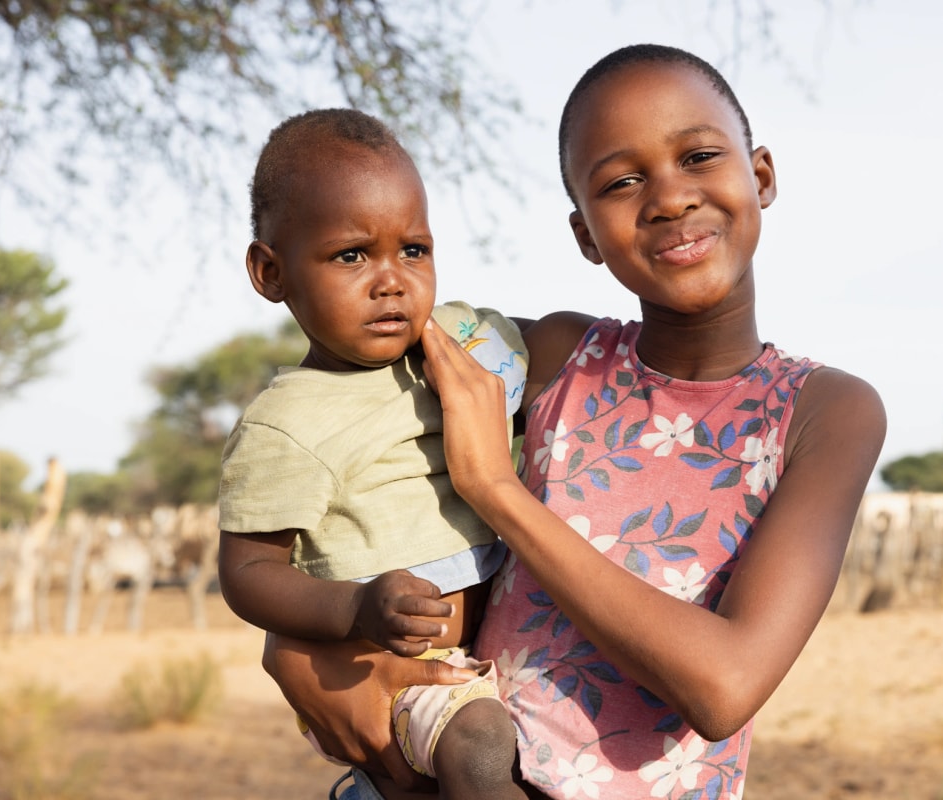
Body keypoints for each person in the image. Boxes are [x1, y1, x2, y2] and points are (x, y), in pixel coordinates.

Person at [266, 44, 887, 800]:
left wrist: (498, 490)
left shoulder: (825, 412)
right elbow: (344, 391)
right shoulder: (551, 357)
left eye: (698, 157)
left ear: (759, 177)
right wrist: (295, 640)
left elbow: (724, 688)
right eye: (622, 182)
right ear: (586, 234)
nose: (670, 198)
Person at [216, 108, 530, 800]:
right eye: (352, 256)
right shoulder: (287, 424)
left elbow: (554, 346)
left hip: (507, 651)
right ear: (271, 272)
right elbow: (247, 571)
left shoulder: (457, 343)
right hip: (399, 674)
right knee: (481, 750)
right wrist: (355, 607)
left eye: (413, 250)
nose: (392, 281)